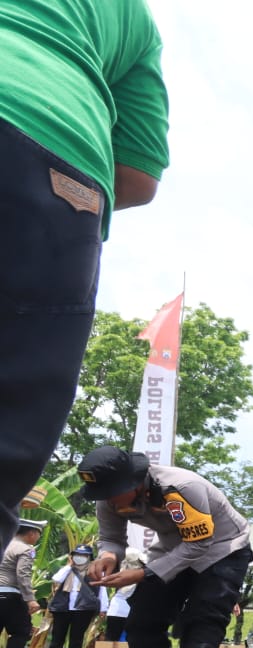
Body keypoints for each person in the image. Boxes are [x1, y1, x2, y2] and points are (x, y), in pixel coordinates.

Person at [0, 0, 169, 550]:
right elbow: (138, 175)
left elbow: (204, 551)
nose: (114, 506)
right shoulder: (129, 18)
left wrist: (137, 570)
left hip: (203, 561)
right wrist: (111, 553)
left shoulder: (182, 495)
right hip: (58, 166)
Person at [79, 446, 251, 648]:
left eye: (113, 493)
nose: (109, 501)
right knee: (143, 617)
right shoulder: (108, 497)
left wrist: (143, 573)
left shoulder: (181, 487)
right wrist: (109, 557)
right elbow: (111, 538)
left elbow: (199, 545)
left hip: (222, 547)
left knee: (205, 616)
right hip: (173, 547)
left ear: (135, 482)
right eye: (102, 495)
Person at [46, 543, 105, 648]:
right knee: (58, 636)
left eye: (84, 555)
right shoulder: (67, 570)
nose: (80, 557)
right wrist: (69, 566)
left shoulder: (94, 571)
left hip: (84, 608)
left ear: (89, 557)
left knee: (76, 638)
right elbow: (56, 578)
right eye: (77, 555)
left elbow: (102, 590)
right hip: (63, 607)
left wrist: (103, 608)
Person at [0, 518, 43, 648]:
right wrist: (30, 599)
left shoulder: (3, 544)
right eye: (39, 534)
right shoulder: (26, 549)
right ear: (31, 534)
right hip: (11, 595)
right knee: (20, 632)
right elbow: (22, 575)